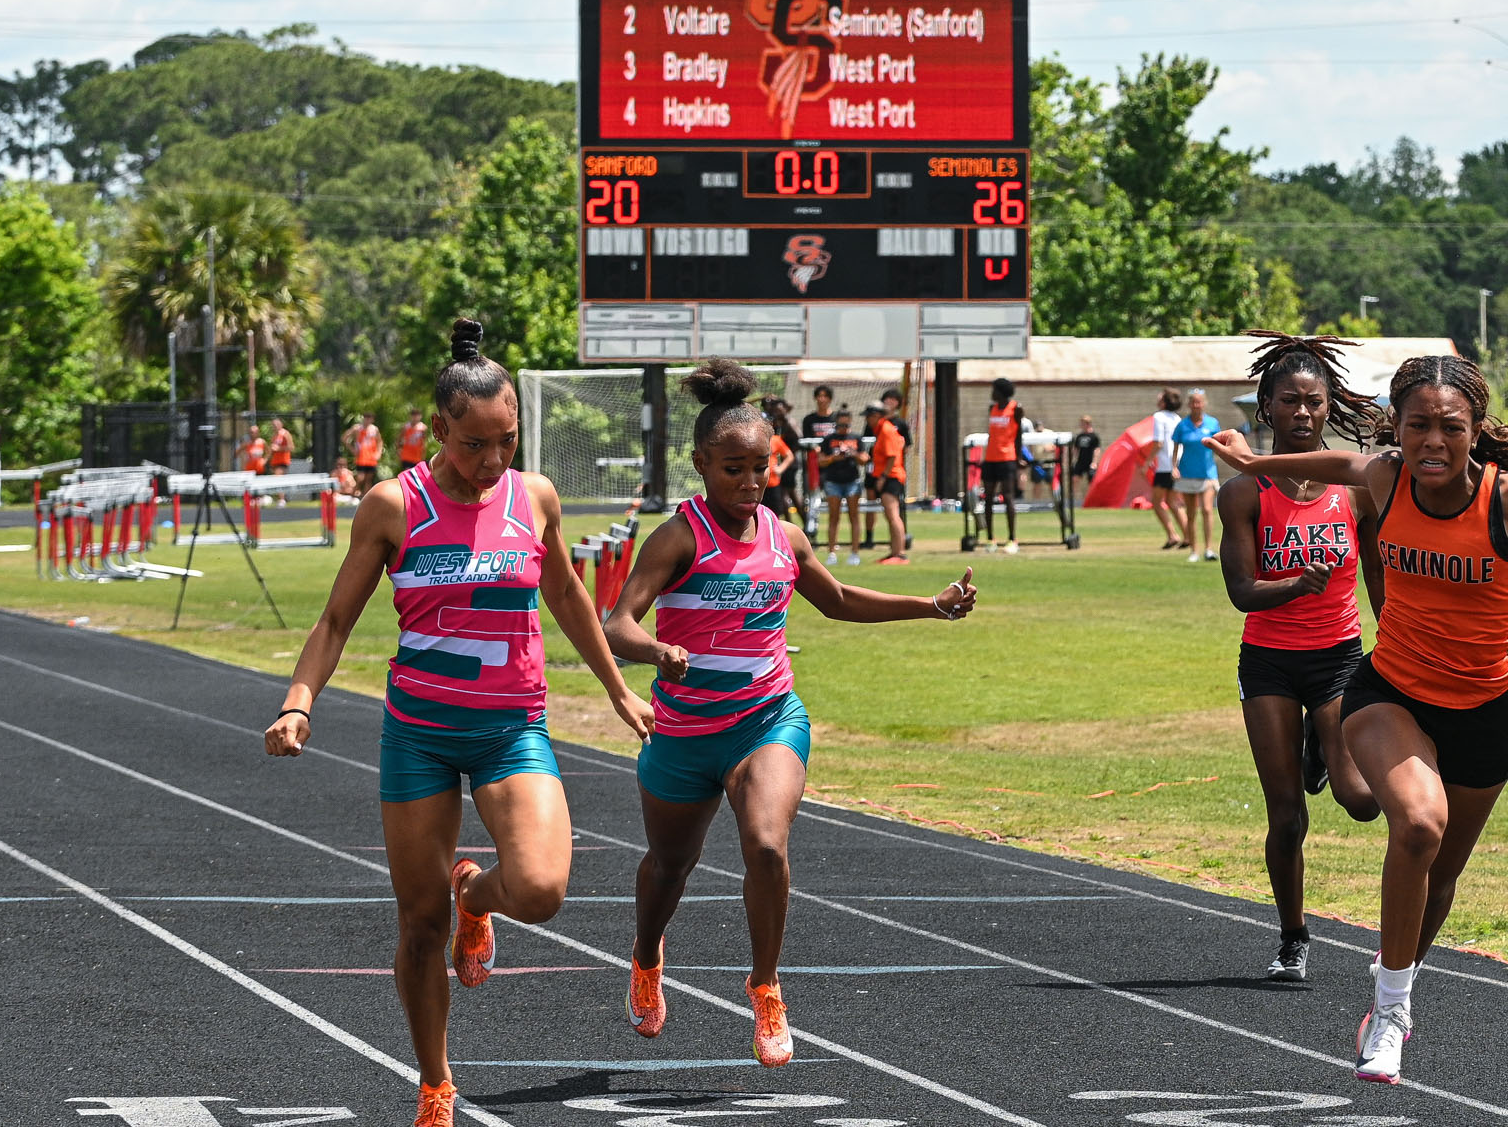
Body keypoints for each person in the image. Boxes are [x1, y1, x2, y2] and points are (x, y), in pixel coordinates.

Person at [263, 318, 654, 1127]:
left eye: (507, 440)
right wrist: (299, 701)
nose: (493, 459)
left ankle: (477, 894)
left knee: (540, 889)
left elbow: (567, 594)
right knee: (419, 924)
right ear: (439, 429)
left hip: (512, 727)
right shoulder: (392, 504)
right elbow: (335, 621)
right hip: (419, 735)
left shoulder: (533, 497)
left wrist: (617, 689)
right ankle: (436, 1084)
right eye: (475, 443)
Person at [1207, 353, 1508, 1086]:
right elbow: (1339, 462)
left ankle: (1393, 976)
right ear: (1397, 429)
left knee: (1439, 879)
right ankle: (1390, 1014)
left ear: (1475, 429)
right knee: (1417, 826)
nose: (1433, 442)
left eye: (1450, 427)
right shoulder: (1385, 478)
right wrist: (1255, 462)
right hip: (1390, 692)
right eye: (1417, 426)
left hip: (1483, 708)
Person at [602, 359, 975, 1066]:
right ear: (700, 464)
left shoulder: (785, 535)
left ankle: (766, 985)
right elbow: (615, 622)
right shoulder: (678, 537)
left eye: (762, 467)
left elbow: (839, 600)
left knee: (767, 845)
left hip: (767, 717)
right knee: (669, 866)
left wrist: (930, 604)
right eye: (734, 469)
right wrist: (655, 651)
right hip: (684, 731)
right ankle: (647, 956)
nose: (751, 482)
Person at [1216, 334, 1386, 985]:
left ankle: (1322, 744)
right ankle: (1292, 937)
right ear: (1267, 407)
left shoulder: (1356, 486)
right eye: (1290, 401)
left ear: (1328, 406)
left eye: (1314, 401)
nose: (1303, 413)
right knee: (1287, 816)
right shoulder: (1243, 493)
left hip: (1338, 658)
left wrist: (1396, 638)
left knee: (1362, 800)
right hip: (1270, 663)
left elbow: (1376, 574)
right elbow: (1241, 591)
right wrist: (1294, 584)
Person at [1172, 389, 1225, 563]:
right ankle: (1194, 550)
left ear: (1204, 403)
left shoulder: (1212, 423)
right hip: (1187, 472)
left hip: (1207, 473)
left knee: (1207, 510)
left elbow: (1219, 444)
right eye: (1193, 402)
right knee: (1191, 513)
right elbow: (1175, 447)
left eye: (1199, 402)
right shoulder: (1182, 425)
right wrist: (1174, 467)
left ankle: (1208, 549)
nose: (1196, 405)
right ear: (1189, 404)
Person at [862, 387, 911, 550]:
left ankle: (899, 553)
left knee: (893, 515)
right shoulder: (881, 430)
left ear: (877, 416)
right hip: (888, 475)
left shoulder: (886, 430)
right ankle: (895, 552)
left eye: (869, 416)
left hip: (891, 477)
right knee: (890, 515)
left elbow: (892, 456)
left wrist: (882, 477)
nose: (867, 420)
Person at [817, 409, 866, 566]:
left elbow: (864, 459)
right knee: (833, 517)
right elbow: (820, 461)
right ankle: (832, 553)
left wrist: (853, 453)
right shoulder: (828, 439)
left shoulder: (856, 438)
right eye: (841, 425)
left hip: (852, 481)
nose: (844, 428)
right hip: (833, 481)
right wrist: (834, 458)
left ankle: (855, 553)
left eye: (846, 424)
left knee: (854, 516)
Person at [981, 378, 1024, 554]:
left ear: (1001, 392)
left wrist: (1019, 457)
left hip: (1007, 458)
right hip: (990, 458)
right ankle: (990, 539)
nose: (992, 393)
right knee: (988, 498)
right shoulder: (992, 409)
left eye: (994, 390)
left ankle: (1012, 539)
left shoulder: (1016, 409)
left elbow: (1019, 435)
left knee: (1008, 497)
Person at [1149, 389, 1189, 550]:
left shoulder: (1158, 417)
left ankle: (1173, 535)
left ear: (1164, 402)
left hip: (1165, 465)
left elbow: (1158, 443)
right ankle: (1188, 535)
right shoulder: (1177, 418)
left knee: (1156, 502)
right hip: (1177, 463)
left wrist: (1147, 462)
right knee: (1173, 502)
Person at [798, 384, 839, 500]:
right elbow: (806, 440)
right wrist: (816, 449)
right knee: (814, 493)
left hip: (834, 461)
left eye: (825, 396)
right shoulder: (809, 419)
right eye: (819, 396)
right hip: (815, 462)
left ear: (830, 399)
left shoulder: (836, 418)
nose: (822, 399)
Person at [345, 413, 385, 495]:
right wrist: (352, 449)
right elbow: (345, 438)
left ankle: (366, 496)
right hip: (361, 456)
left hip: (371, 457)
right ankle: (354, 493)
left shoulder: (374, 429)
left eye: (369, 418)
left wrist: (378, 453)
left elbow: (379, 441)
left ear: (372, 420)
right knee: (361, 478)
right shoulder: (357, 428)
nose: (367, 420)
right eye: (366, 418)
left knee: (368, 478)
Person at [1071, 415, 1101, 503]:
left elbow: (1097, 450)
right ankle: (1074, 500)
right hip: (1081, 461)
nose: (1081, 425)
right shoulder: (1079, 436)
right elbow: (1076, 449)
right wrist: (1073, 459)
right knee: (1075, 478)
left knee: (1091, 481)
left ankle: (1091, 499)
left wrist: (1094, 462)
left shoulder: (1094, 436)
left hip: (1090, 462)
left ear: (1088, 424)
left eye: (1082, 423)